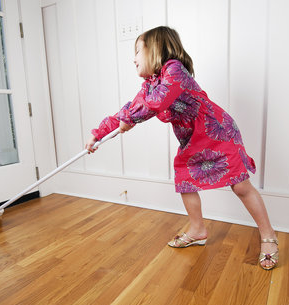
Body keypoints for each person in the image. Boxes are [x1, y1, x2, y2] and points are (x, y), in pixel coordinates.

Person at [85, 26, 278, 270]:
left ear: (155, 49)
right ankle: (198, 230)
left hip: (218, 132)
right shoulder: (149, 85)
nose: (132, 58)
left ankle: (268, 236)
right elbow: (129, 108)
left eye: (137, 51)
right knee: (185, 180)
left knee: (240, 185)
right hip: (192, 140)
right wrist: (98, 135)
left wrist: (131, 120)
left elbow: (160, 101)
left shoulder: (174, 69)